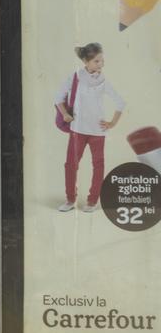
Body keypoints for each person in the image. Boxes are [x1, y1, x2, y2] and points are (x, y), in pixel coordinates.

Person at [54, 42, 125, 213]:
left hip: (98, 132)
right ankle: (70, 200)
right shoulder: (76, 77)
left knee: (98, 165)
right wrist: (64, 114)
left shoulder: (104, 81)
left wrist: (112, 123)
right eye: (97, 61)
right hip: (77, 129)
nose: (101, 65)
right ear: (86, 61)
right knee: (71, 165)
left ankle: (93, 201)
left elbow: (120, 102)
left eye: (102, 61)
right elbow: (58, 97)